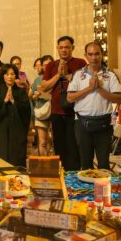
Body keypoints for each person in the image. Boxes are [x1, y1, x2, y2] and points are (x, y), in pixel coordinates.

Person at [66, 42, 121, 170]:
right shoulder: (78, 74)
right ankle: (87, 190)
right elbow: (69, 98)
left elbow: (119, 98)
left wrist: (99, 89)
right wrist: (90, 88)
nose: (94, 57)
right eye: (90, 54)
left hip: (104, 123)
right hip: (82, 123)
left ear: (102, 55)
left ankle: (103, 190)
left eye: (97, 54)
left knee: (103, 164)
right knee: (85, 163)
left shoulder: (110, 75)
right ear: (86, 56)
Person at [40, 36, 86, 171]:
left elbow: (84, 84)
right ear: (57, 48)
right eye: (61, 47)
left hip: (75, 112)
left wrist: (67, 76)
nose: (64, 50)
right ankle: (61, 173)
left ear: (73, 48)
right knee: (59, 146)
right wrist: (58, 75)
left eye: (67, 47)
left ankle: (74, 175)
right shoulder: (51, 65)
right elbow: (44, 87)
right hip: (56, 111)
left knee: (73, 146)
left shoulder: (80, 63)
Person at [0, 64, 32, 167]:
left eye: (12, 74)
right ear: (3, 75)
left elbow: (26, 111)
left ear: (16, 76)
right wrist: (4, 101)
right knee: (1, 153)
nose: (10, 76)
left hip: (17, 129)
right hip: (0, 128)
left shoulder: (21, 92)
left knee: (16, 153)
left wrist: (13, 102)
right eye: (7, 74)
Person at [31, 55, 54, 155]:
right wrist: (36, 95)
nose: (47, 66)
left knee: (54, 141)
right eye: (44, 65)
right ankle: (44, 164)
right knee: (43, 142)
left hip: (55, 111)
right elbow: (32, 97)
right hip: (41, 111)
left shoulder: (58, 78)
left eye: (49, 64)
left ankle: (53, 162)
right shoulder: (38, 80)